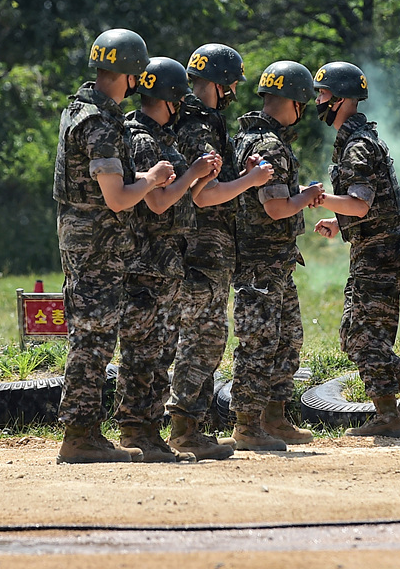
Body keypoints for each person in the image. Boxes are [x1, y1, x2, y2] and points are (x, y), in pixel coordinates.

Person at [52, 28, 175, 464]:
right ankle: (80, 435)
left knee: (96, 335)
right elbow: (118, 196)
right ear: (130, 73)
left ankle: (85, 431)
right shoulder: (100, 122)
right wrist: (154, 177)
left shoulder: (81, 111)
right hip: (95, 245)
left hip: (91, 242)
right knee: (93, 337)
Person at [311, 62, 400, 438]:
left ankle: (389, 413)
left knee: (365, 336)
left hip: (381, 251)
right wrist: (340, 221)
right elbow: (367, 205)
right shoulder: (355, 140)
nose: (318, 101)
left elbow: (361, 203)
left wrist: (316, 199)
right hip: (374, 247)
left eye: (323, 94)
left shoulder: (358, 146)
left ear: (342, 99)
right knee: (355, 333)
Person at [167, 44, 275, 461]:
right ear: (217, 82)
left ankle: (190, 426)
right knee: (203, 337)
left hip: (208, 249)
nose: (233, 91)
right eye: (230, 83)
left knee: (204, 335)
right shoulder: (197, 125)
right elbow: (204, 195)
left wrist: (240, 171)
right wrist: (251, 181)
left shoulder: (203, 121)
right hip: (200, 248)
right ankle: (185, 429)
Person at [119, 57, 223, 462]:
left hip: (166, 263)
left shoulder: (160, 137)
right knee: (143, 352)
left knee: (160, 351)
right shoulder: (144, 140)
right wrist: (191, 171)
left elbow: (178, 193)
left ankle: (149, 433)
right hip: (148, 262)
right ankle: (136, 432)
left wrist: (199, 177)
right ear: (173, 97)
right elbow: (159, 201)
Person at [230, 60, 325, 452]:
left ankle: (274, 417)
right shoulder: (269, 145)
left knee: (287, 339)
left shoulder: (249, 138)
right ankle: (248, 425)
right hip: (260, 261)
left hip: (274, 262)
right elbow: (275, 207)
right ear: (295, 102)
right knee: (260, 341)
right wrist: (309, 196)